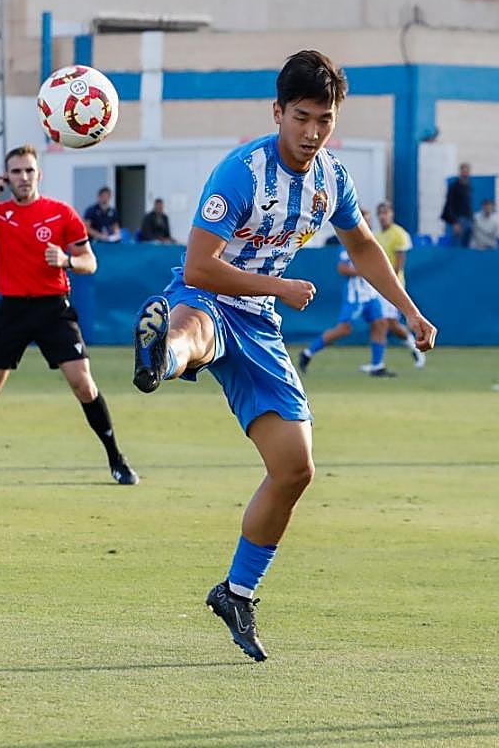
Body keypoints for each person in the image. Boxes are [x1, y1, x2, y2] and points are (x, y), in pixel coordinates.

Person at [131, 50, 436, 661]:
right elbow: (198, 267)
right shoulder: (240, 172)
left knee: (296, 467)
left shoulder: (332, 180)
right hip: (209, 294)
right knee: (193, 330)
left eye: (324, 119)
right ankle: (161, 355)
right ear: (277, 112)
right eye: (301, 117)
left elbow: (366, 247)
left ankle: (237, 592)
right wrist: (279, 286)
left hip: (261, 325)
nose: (312, 132)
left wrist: (408, 309)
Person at [0, 144, 138, 486]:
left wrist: (67, 261)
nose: (23, 177)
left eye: (29, 170)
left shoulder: (61, 213)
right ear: (6, 177)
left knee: (83, 384)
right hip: (12, 309)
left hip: (53, 307)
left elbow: (90, 262)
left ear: (39, 174)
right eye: (16, 171)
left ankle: (117, 460)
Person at [297, 245, 393, 377]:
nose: (369, 223)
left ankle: (377, 366)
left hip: (371, 293)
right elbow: (342, 268)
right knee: (344, 329)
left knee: (381, 324)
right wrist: (364, 270)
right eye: (366, 222)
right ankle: (308, 352)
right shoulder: (348, 242)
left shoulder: (371, 240)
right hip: (355, 295)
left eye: (370, 222)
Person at [371, 201, 426, 369]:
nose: (383, 216)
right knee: (381, 322)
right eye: (380, 213)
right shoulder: (377, 235)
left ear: (392, 214)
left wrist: (389, 284)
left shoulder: (399, 234)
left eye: (385, 212)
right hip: (378, 285)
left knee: (388, 322)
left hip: (392, 286)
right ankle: (377, 362)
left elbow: (399, 265)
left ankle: (415, 348)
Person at [441, 163, 475, 247]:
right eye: (463, 171)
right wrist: (455, 222)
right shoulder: (454, 187)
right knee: (457, 244)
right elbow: (449, 205)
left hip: (468, 219)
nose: (465, 174)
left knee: (467, 244)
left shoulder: (468, 186)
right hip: (459, 220)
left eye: (467, 171)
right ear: (460, 172)